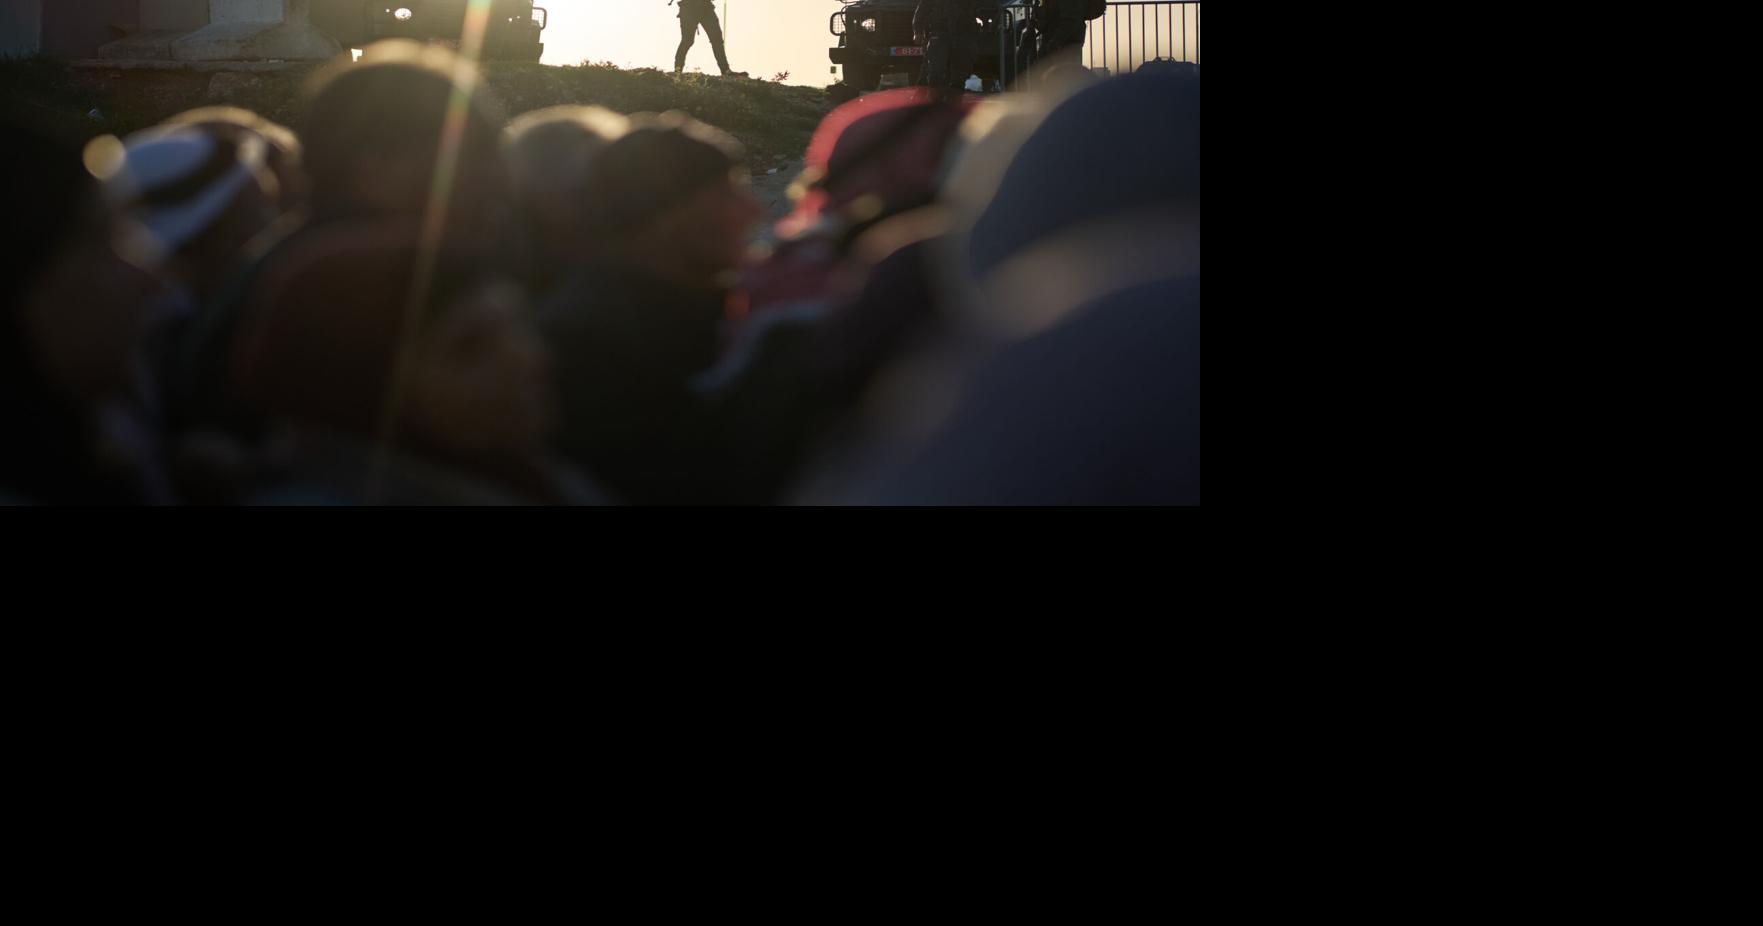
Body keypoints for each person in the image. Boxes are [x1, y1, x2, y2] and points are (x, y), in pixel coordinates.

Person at [914, 0, 986, 92]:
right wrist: (917, 31)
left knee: (960, 73)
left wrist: (983, 24)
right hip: (941, 32)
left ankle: (955, 97)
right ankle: (932, 97)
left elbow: (981, 8)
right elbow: (922, 10)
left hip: (963, 33)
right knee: (935, 70)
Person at [674, 0, 747, 78]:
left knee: (715, 39)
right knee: (688, 40)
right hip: (691, 7)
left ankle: (725, 70)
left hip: (702, 8)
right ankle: (678, 70)